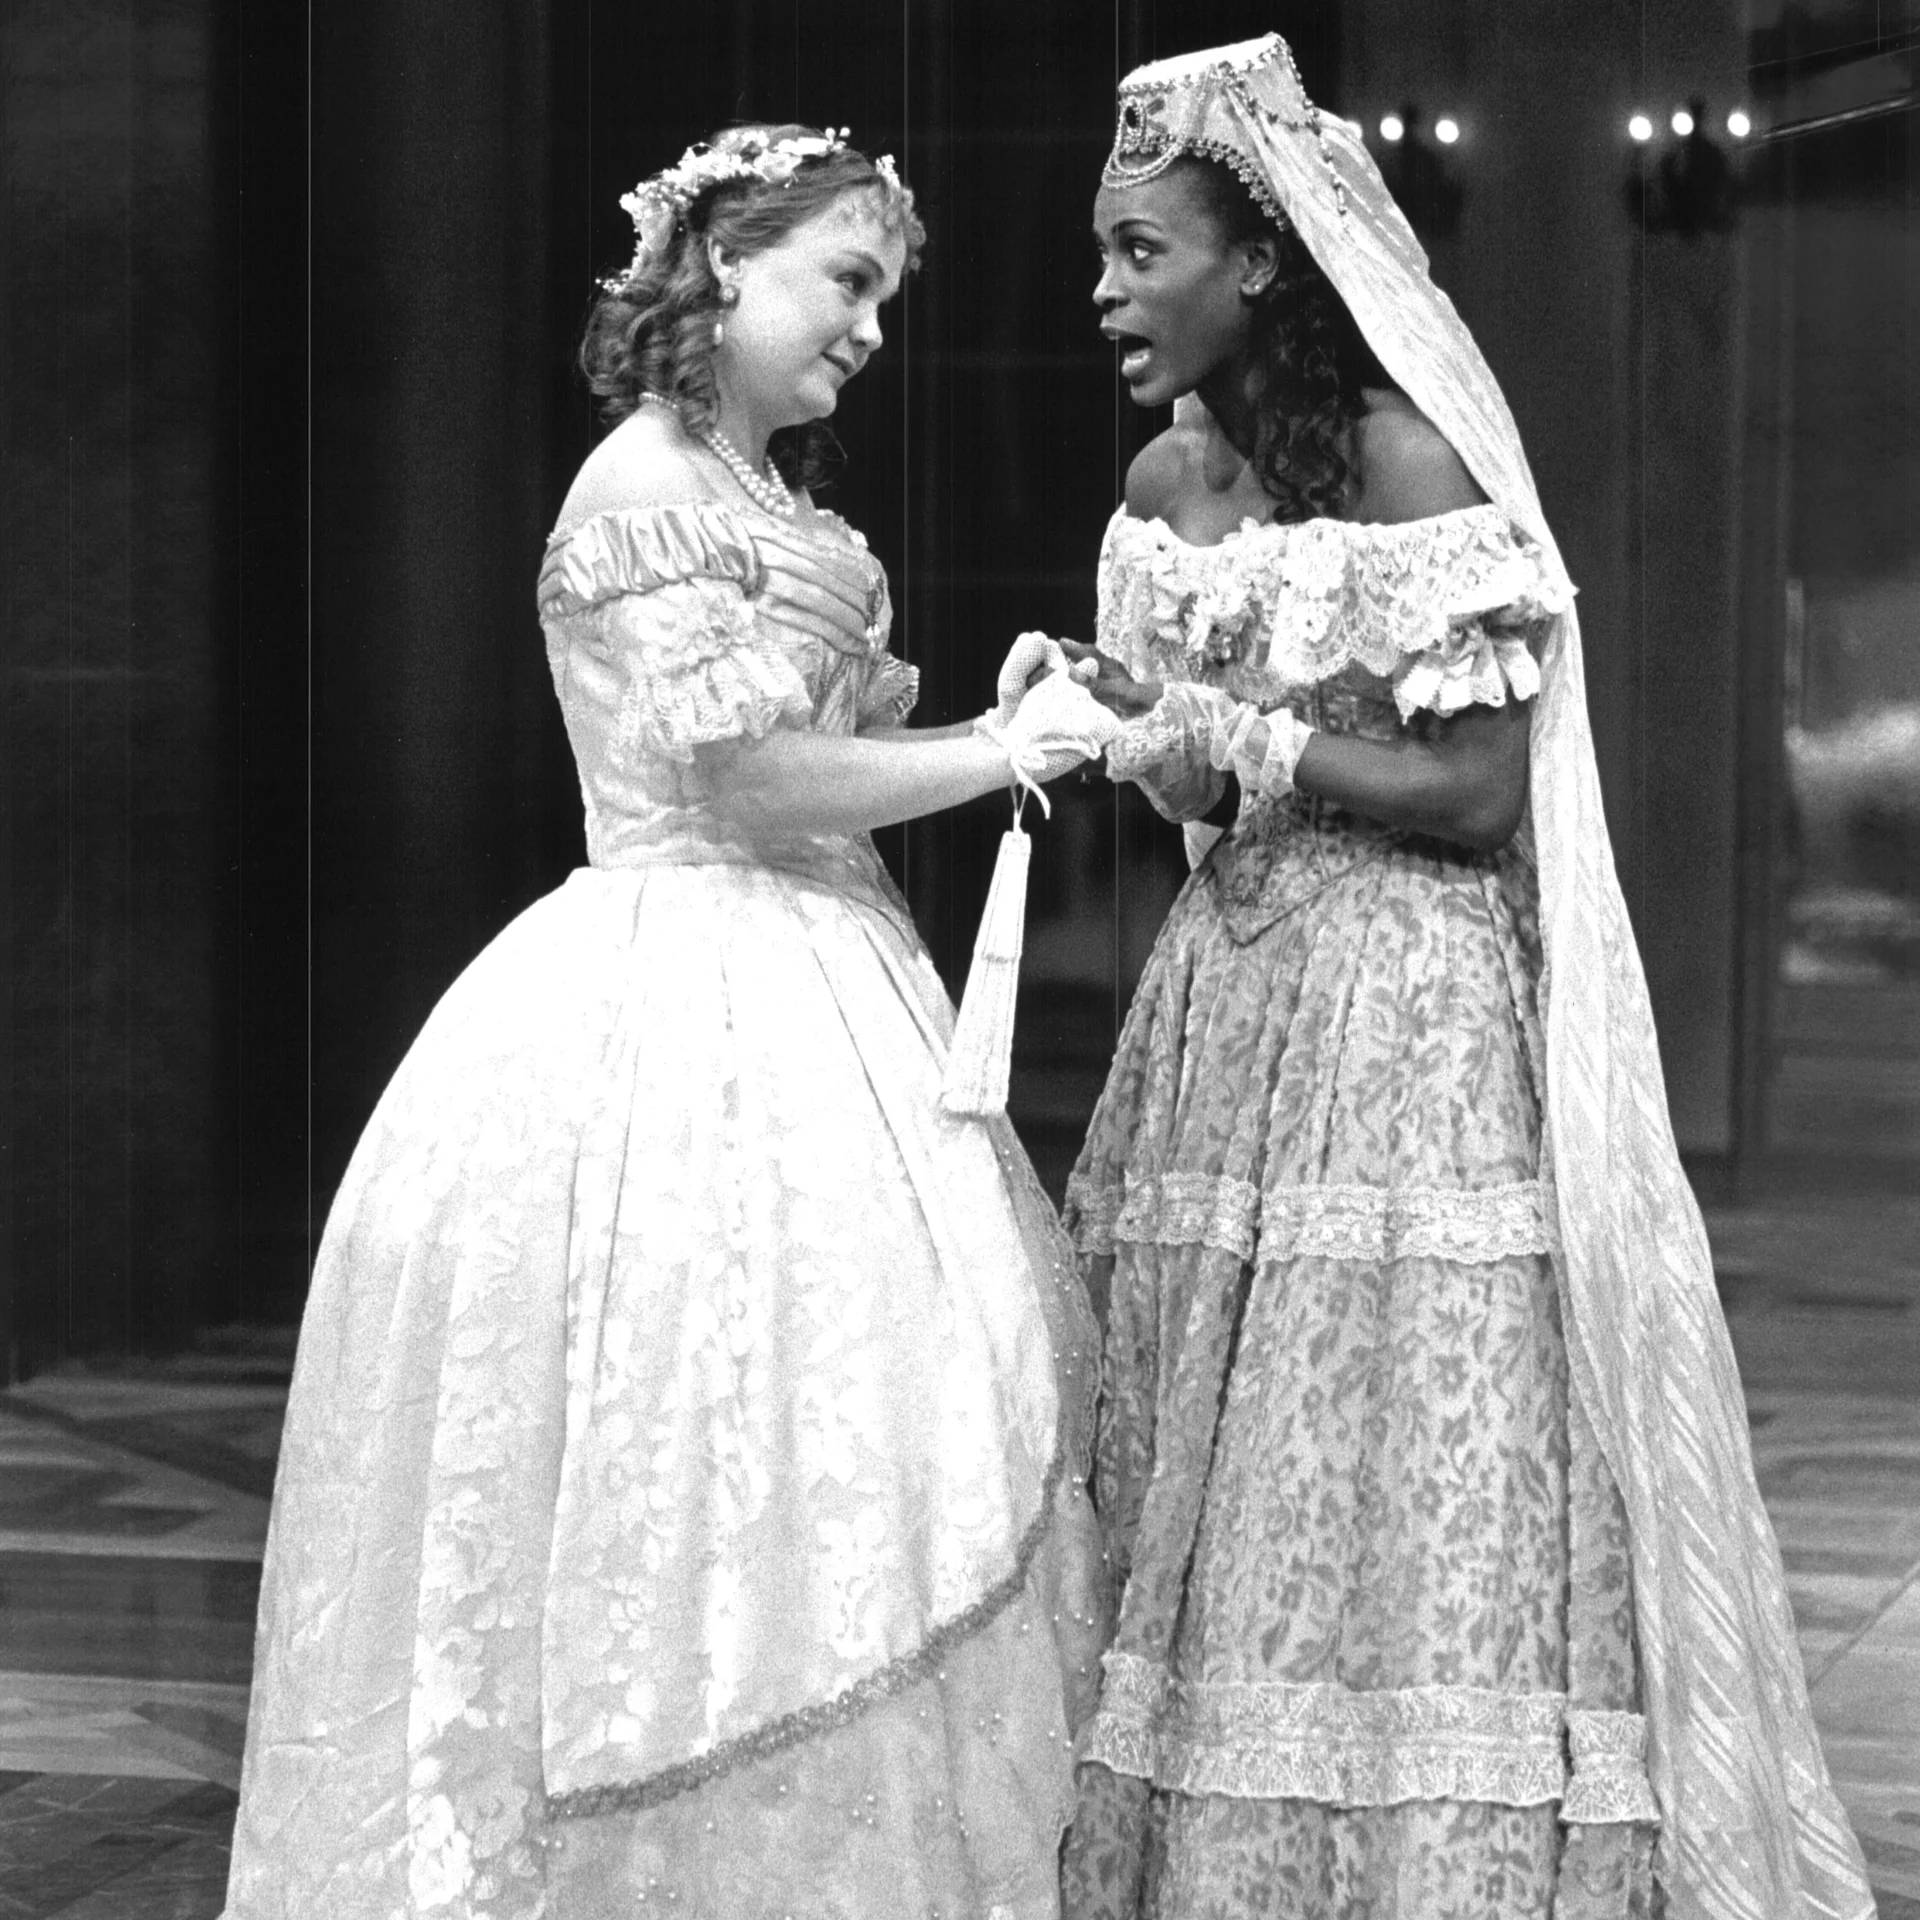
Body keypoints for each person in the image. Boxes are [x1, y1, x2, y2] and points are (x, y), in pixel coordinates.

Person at [222, 125, 1116, 1920]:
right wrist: (995, 757)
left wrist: (989, 701)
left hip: (822, 982)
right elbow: (758, 779)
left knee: (853, 1427)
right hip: (671, 991)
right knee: (689, 1418)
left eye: (886, 295)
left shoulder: (776, 504)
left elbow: (829, 757)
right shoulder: (641, 490)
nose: (872, 327)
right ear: (723, 267)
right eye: (844, 281)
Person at [1042, 37, 1875, 1920]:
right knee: (1221, 1426)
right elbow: (1194, 769)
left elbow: (1481, 792)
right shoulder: (1167, 478)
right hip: (1229, 1004)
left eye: (1135, 250)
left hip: (1400, 1004)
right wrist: (1143, 732)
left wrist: (1253, 739)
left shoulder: (1408, 457)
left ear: (1257, 262)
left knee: (1380, 1414)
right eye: (1097, 255)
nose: (1101, 291)